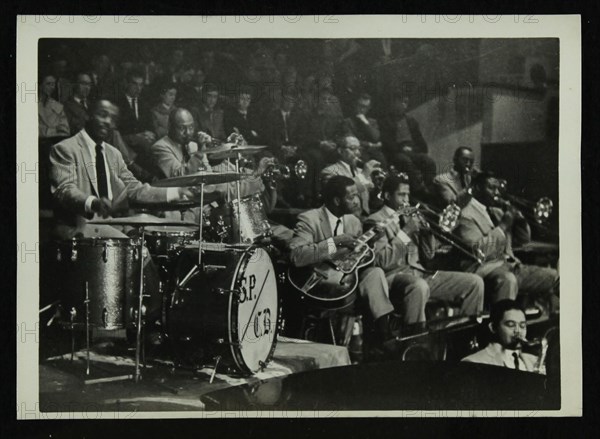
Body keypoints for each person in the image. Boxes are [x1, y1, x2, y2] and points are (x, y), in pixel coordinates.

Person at [49, 99, 196, 240]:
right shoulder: (65, 149)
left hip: (113, 226)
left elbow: (135, 189)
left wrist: (176, 192)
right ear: (88, 115)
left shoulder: (113, 154)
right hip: (79, 227)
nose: (108, 121)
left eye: (113, 118)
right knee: (140, 255)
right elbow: (64, 190)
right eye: (102, 114)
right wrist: (93, 203)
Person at [289, 176, 403, 343]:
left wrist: (369, 243)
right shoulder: (309, 219)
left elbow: (357, 260)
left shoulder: (353, 221)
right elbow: (297, 256)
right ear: (336, 200)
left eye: (357, 195)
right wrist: (336, 242)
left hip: (346, 286)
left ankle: (385, 334)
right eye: (351, 197)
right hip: (317, 286)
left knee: (375, 273)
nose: (357, 201)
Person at [366, 174, 484, 325]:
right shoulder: (375, 220)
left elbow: (428, 257)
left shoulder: (410, 216)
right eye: (401, 195)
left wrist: (427, 234)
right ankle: (416, 341)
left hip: (421, 273)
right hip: (394, 277)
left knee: (475, 283)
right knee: (419, 286)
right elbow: (382, 262)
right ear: (387, 195)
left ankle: (463, 335)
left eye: (408, 195)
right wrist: (406, 232)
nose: (406, 200)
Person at [453, 171, 559, 307]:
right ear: (478, 188)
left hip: (513, 266)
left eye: (498, 189)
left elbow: (524, 240)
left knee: (554, 276)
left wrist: (520, 221)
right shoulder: (465, 215)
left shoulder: (497, 212)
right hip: (485, 270)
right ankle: (503, 320)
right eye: (491, 188)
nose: (496, 193)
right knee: (508, 280)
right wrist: (503, 225)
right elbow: (478, 252)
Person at [462, 299, 542, 373]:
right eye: (511, 325)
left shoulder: (534, 361)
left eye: (522, 326)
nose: (518, 331)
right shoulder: (473, 363)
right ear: (493, 327)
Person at [380, 92, 436, 195]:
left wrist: (413, 149)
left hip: (412, 152)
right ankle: (417, 191)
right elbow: (386, 142)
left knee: (428, 161)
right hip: (395, 153)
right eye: (401, 101)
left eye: (406, 102)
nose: (403, 105)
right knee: (405, 161)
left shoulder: (411, 121)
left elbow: (422, 144)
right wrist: (401, 149)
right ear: (395, 102)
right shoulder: (386, 121)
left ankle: (431, 189)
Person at [321, 135, 381, 217]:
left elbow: (372, 201)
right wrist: (363, 175)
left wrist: (378, 186)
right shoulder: (330, 171)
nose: (358, 153)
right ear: (340, 151)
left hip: (364, 219)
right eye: (353, 148)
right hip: (344, 220)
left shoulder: (361, 171)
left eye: (359, 149)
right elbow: (344, 193)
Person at [341, 93, 387, 167]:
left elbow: (376, 138)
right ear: (355, 105)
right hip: (357, 151)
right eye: (360, 106)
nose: (362, 109)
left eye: (365, 107)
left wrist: (366, 123)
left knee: (382, 161)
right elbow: (350, 141)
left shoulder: (372, 121)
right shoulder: (348, 122)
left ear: (369, 108)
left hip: (373, 152)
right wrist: (369, 144)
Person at [38, 74, 70, 139]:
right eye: (48, 84)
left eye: (53, 84)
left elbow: (66, 131)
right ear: (40, 86)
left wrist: (46, 131)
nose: (52, 87)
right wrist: (55, 130)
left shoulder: (58, 106)